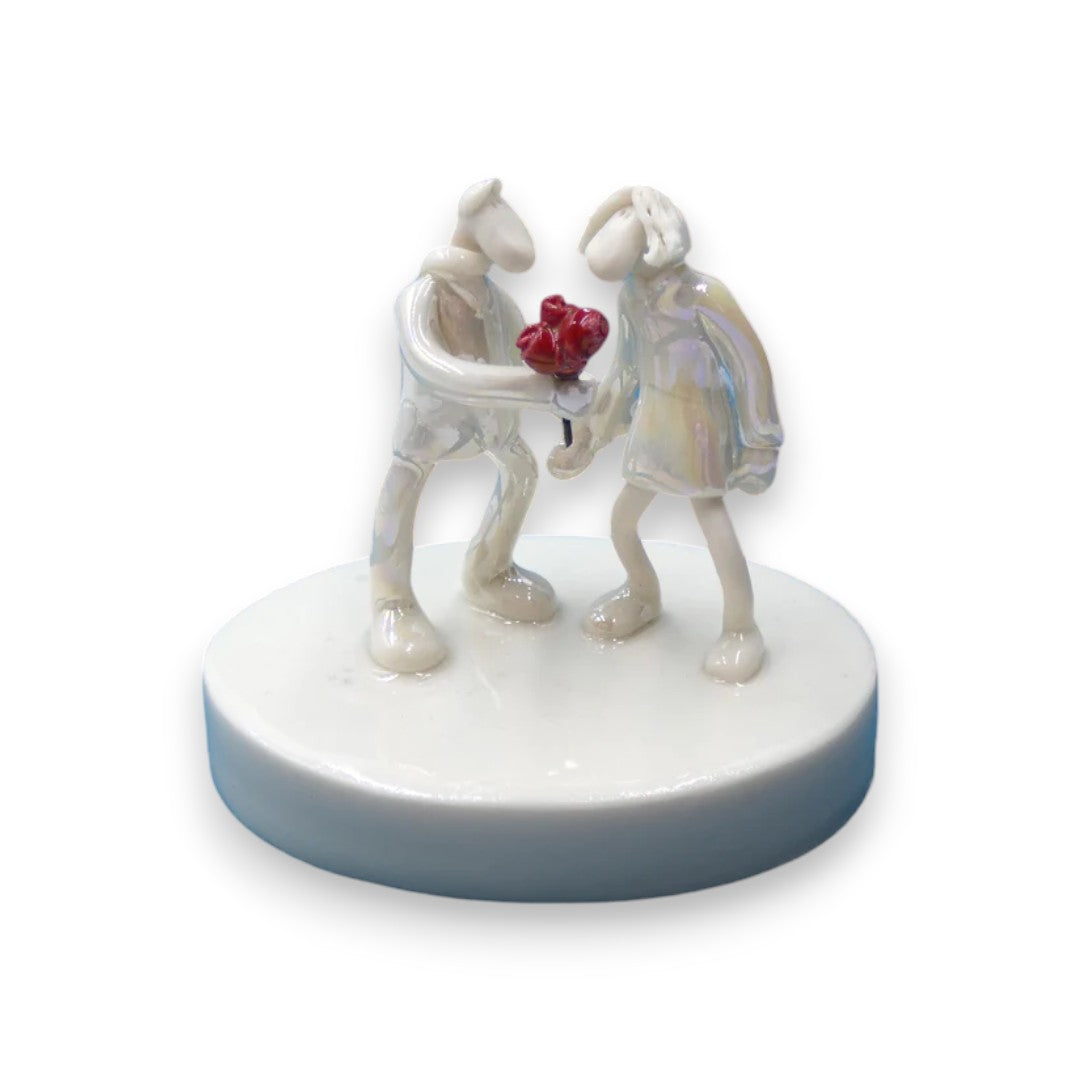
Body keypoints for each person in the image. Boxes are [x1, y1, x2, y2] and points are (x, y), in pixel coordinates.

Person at [549, 186, 782, 682]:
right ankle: (642, 593)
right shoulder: (632, 295)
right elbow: (626, 369)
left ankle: (742, 628)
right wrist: (591, 434)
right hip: (655, 419)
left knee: (712, 522)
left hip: (699, 425)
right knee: (622, 522)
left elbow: (750, 365)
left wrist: (761, 442)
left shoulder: (705, 294)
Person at [371, 179, 594, 673]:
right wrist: (535, 390)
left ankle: (489, 570)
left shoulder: (499, 303)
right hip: (429, 428)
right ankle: (391, 601)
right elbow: (434, 366)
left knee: (521, 470)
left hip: (492, 425)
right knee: (402, 493)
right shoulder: (421, 296)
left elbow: (528, 362)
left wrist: (566, 391)